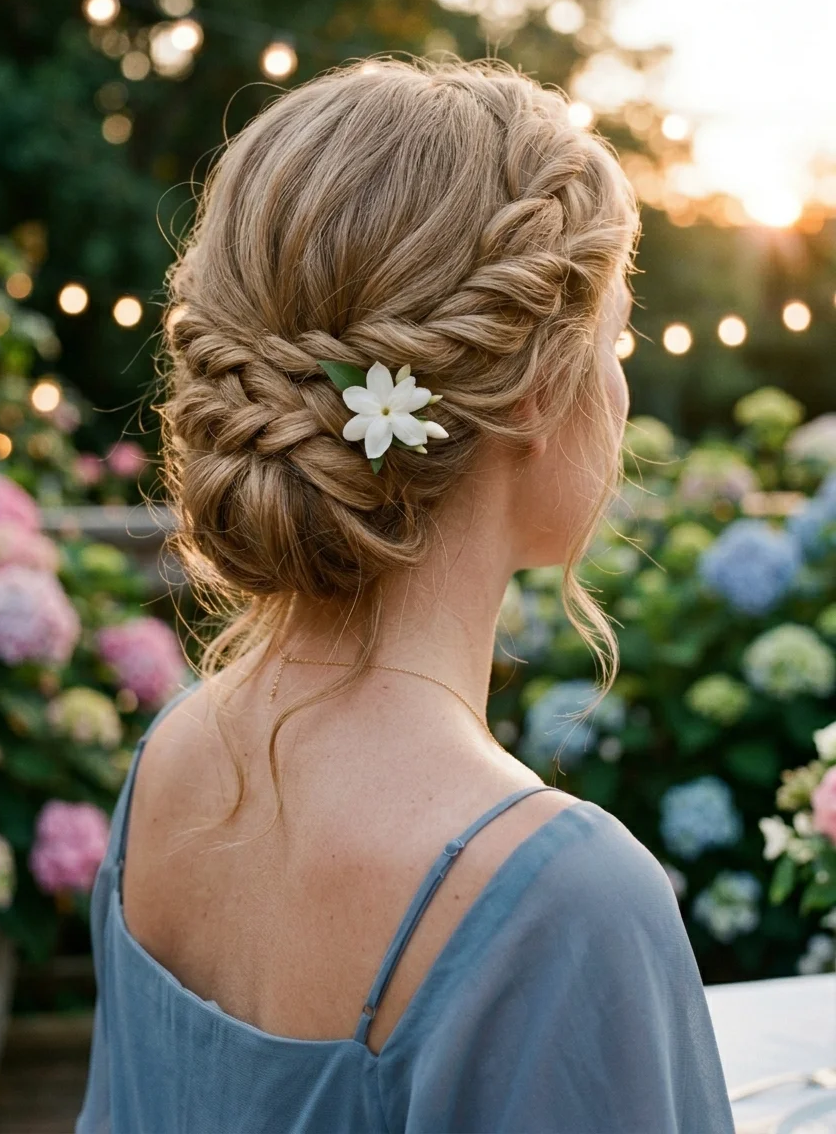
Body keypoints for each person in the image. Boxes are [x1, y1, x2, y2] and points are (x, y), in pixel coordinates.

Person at [77, 56, 736, 1133]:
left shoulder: (173, 765)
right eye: (612, 336)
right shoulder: (561, 907)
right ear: (531, 393)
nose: (617, 386)